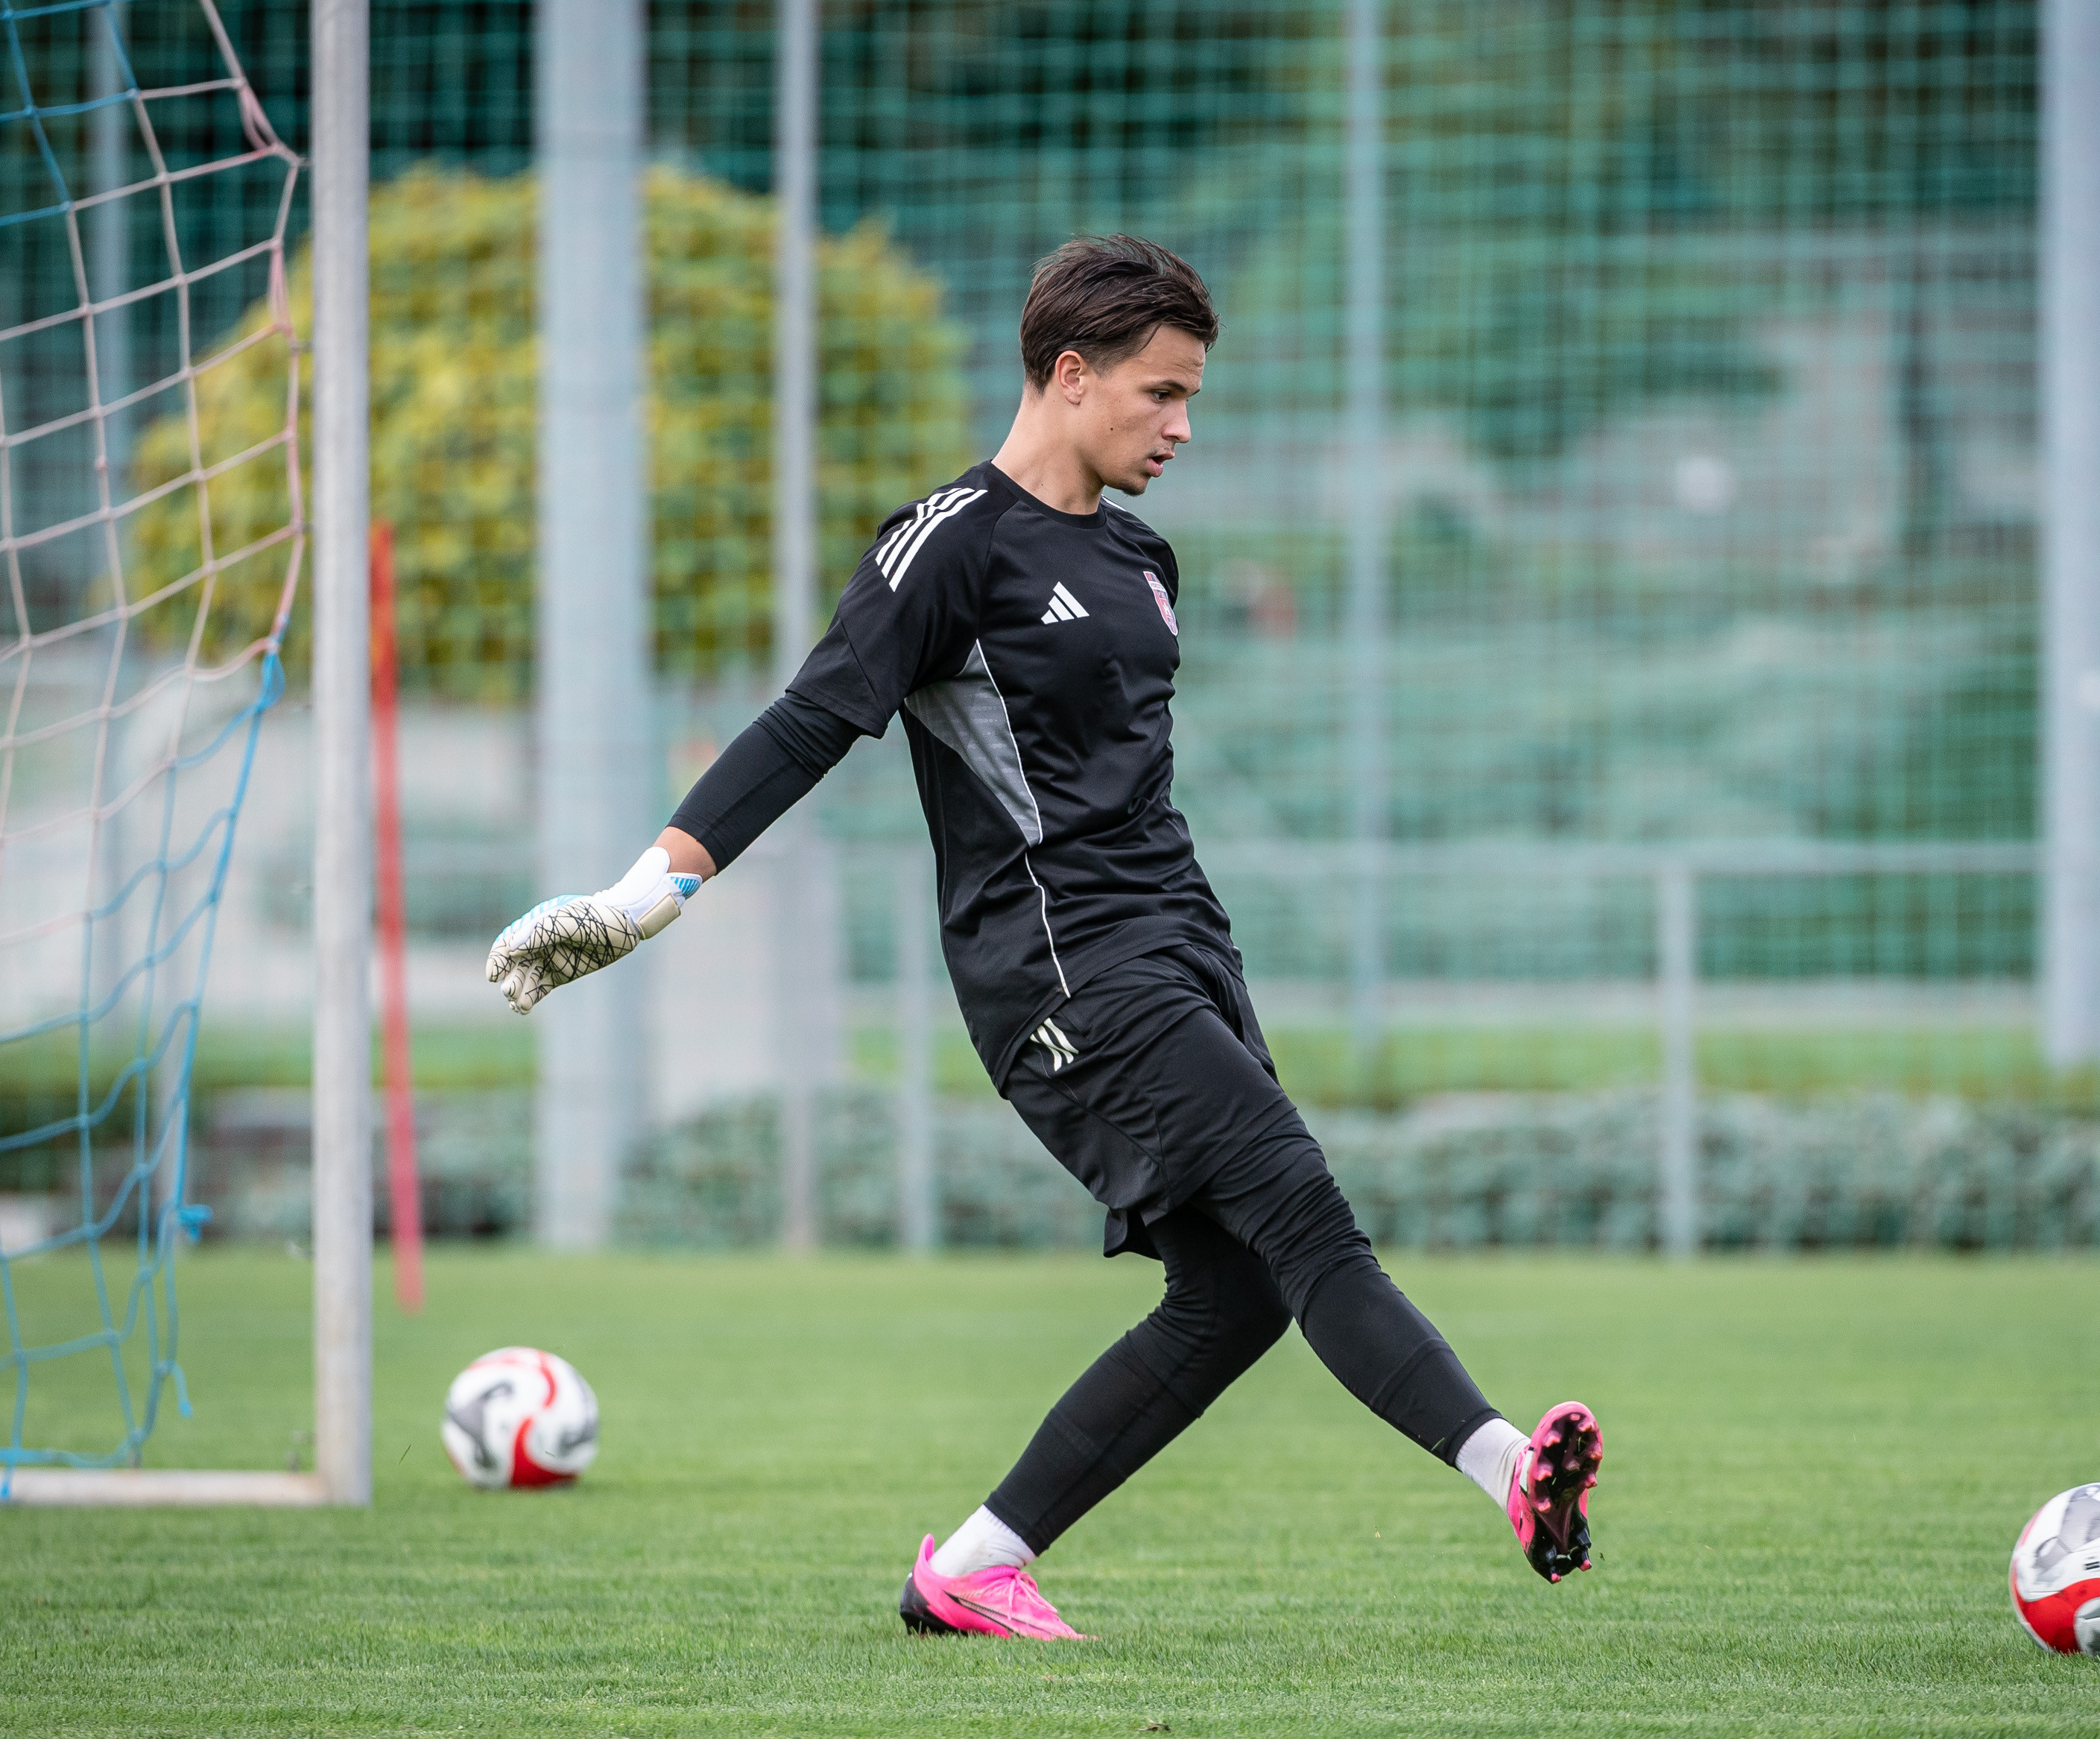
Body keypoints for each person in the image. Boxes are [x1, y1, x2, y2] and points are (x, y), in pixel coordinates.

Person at [485, 235, 1603, 1639]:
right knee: (1302, 1207)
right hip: (1063, 974)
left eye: (1191, 397)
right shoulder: (949, 544)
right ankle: (1511, 1471)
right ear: (1071, 374)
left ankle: (972, 1565)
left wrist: (1208, 964)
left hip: (1182, 953)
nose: (1182, 426)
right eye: (1161, 393)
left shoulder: (1143, 559)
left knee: (1234, 1294)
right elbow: (809, 721)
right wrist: (643, 896)